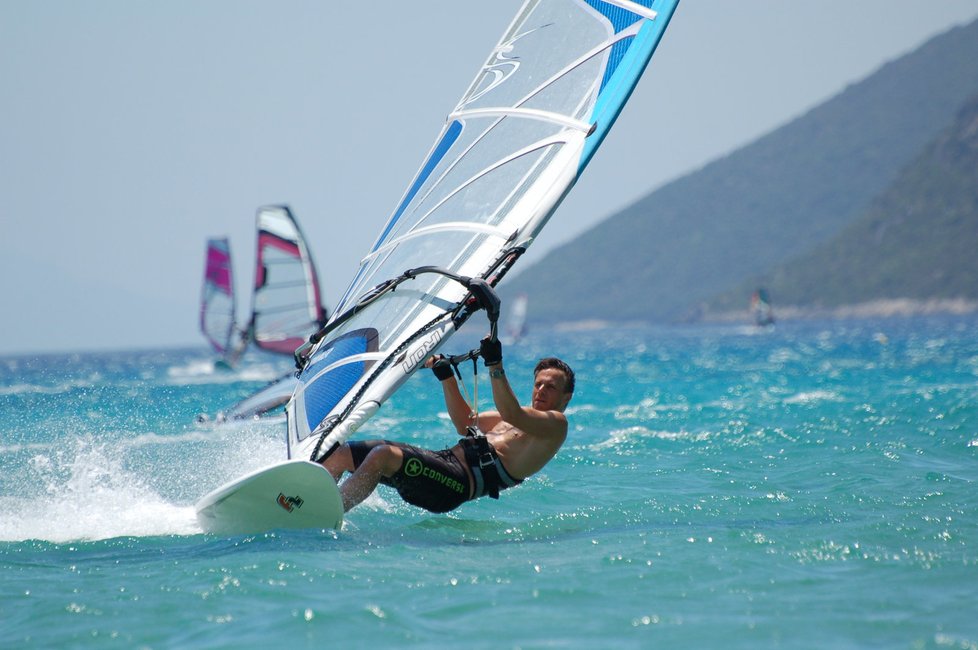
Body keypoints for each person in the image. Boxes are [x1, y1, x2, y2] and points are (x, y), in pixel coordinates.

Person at [320, 336, 575, 513]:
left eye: (550, 387)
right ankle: (308, 497)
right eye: (538, 384)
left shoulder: (556, 426)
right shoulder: (512, 417)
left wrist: (495, 365)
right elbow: (465, 423)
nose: (541, 390)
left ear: (566, 397)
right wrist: (446, 376)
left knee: (383, 455)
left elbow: (513, 413)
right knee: (342, 453)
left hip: (456, 484)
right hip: (441, 462)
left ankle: (326, 515)